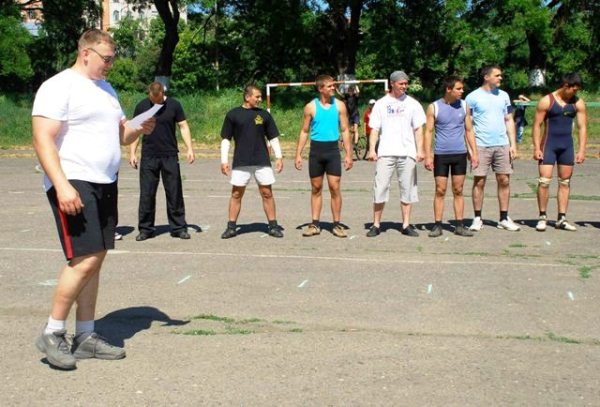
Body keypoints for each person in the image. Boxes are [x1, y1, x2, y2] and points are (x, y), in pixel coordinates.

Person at [32, 29, 155, 370]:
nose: (110, 65)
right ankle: (53, 332)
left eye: (113, 59)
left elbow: (121, 133)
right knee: (84, 258)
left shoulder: (106, 89)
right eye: (106, 59)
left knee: (96, 258)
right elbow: (43, 138)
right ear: (86, 53)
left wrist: (139, 128)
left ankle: (85, 335)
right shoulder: (58, 86)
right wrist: (62, 186)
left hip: (105, 182)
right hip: (73, 180)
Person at [129, 82, 195, 241]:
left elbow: (183, 126)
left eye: (158, 99)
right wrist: (132, 152)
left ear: (163, 94)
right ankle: (146, 229)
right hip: (149, 156)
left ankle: (178, 228)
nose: (156, 102)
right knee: (147, 193)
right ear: (149, 94)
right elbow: (135, 131)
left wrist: (190, 148)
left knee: (174, 192)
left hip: (169, 155)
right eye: (153, 99)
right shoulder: (142, 106)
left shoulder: (174, 105)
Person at [366, 70, 426, 237]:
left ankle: (406, 224)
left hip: (407, 153)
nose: (404, 86)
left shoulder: (413, 104)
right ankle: (376, 224)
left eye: (406, 83)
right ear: (392, 83)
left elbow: (418, 129)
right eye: (401, 83)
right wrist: (372, 149)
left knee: (407, 189)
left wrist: (420, 150)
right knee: (380, 188)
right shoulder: (381, 104)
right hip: (386, 152)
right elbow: (374, 129)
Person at [220, 85, 284, 239]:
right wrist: (224, 160)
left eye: (261, 96)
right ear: (247, 97)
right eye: (257, 96)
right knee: (236, 194)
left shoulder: (264, 115)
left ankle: (273, 226)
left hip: (262, 160)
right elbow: (226, 139)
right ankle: (231, 227)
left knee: (267, 193)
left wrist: (279, 157)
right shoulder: (233, 114)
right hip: (241, 161)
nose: (260, 99)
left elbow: (273, 137)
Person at [295, 74, 353, 238]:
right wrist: (298, 154)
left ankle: (336, 224)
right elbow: (304, 131)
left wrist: (349, 154)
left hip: (333, 151)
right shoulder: (310, 107)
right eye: (329, 86)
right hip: (316, 151)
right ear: (320, 88)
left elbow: (345, 130)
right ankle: (315, 224)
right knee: (316, 188)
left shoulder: (340, 106)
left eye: (333, 85)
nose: (333, 88)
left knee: (335, 187)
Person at [466, 64, 520, 232]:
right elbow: (468, 125)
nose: (500, 78)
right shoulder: (472, 97)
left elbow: (509, 119)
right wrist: (471, 149)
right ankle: (477, 218)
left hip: (502, 144)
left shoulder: (504, 96)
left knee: (504, 180)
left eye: (500, 75)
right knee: (479, 181)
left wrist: (513, 144)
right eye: (497, 75)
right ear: (486, 77)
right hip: (481, 145)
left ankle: (503, 217)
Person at [424, 75, 479, 237]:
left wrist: (474, 153)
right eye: (459, 89)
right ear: (449, 89)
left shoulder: (464, 106)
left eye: (462, 88)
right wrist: (428, 155)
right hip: (441, 154)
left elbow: (469, 131)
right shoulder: (434, 107)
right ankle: (437, 225)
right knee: (440, 190)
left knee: (458, 189)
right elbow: (428, 132)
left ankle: (460, 225)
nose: (462, 91)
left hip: (460, 154)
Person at [532, 73, 587, 232]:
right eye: (574, 90)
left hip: (566, 147)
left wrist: (582, 150)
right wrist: (536, 147)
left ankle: (561, 218)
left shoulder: (577, 103)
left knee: (565, 182)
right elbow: (537, 125)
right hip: (549, 145)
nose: (575, 93)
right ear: (565, 86)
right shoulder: (546, 101)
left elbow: (582, 127)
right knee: (544, 181)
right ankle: (542, 216)